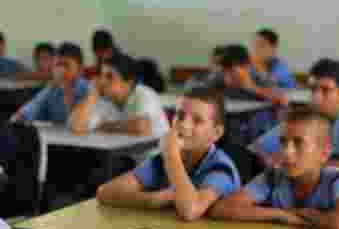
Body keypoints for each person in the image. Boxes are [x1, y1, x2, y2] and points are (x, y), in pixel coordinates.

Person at [97, 87, 240, 220]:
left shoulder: (221, 168)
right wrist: (153, 200)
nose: (184, 124)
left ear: (216, 133)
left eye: (197, 120)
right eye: (180, 115)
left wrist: (171, 155)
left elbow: (190, 210)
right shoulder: (162, 160)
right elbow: (105, 192)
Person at [252, 59, 339, 173]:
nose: (317, 97)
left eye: (326, 90)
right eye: (313, 89)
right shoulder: (304, 117)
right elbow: (258, 147)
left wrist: (308, 165)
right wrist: (269, 160)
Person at [69, 52, 169, 136]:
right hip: (123, 155)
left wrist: (103, 126)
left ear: (129, 82)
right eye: (101, 75)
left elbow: (141, 127)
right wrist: (92, 96)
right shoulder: (102, 98)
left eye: (109, 77)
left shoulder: (143, 94)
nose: (102, 81)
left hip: (156, 156)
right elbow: (76, 126)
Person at [12, 42, 90, 125]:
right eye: (58, 65)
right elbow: (24, 114)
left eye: (66, 65)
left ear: (80, 70)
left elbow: (77, 123)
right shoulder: (53, 89)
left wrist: (66, 91)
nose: (61, 70)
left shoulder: (87, 90)